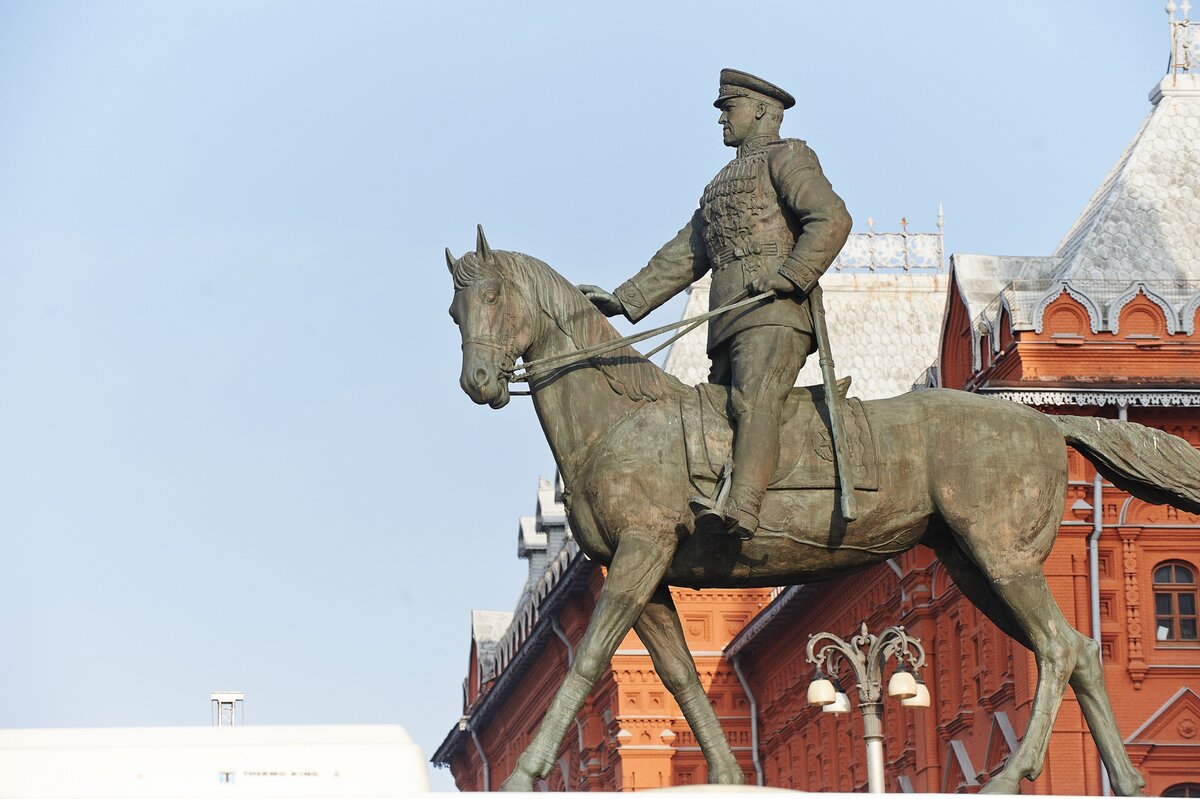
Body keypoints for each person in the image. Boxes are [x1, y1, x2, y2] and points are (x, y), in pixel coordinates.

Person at [580, 68, 851, 538]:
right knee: (718, 412)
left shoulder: (788, 157)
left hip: (774, 312)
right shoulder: (721, 183)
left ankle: (743, 508)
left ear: (762, 110)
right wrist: (623, 299)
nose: (721, 119)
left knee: (754, 403)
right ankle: (722, 493)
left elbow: (831, 218)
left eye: (729, 108)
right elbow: (686, 253)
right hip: (728, 319)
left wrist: (791, 275)